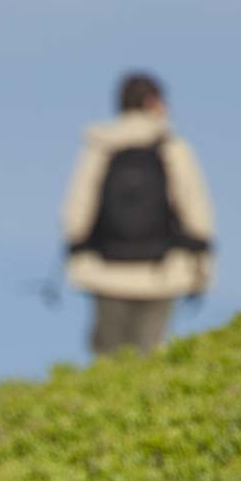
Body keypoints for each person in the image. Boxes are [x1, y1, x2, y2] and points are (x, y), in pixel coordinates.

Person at [62, 72, 215, 356]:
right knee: (151, 355)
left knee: (107, 359)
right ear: (152, 102)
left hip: (105, 271)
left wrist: (77, 256)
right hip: (163, 272)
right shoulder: (172, 148)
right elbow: (195, 208)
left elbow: (76, 210)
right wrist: (202, 267)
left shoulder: (99, 147)